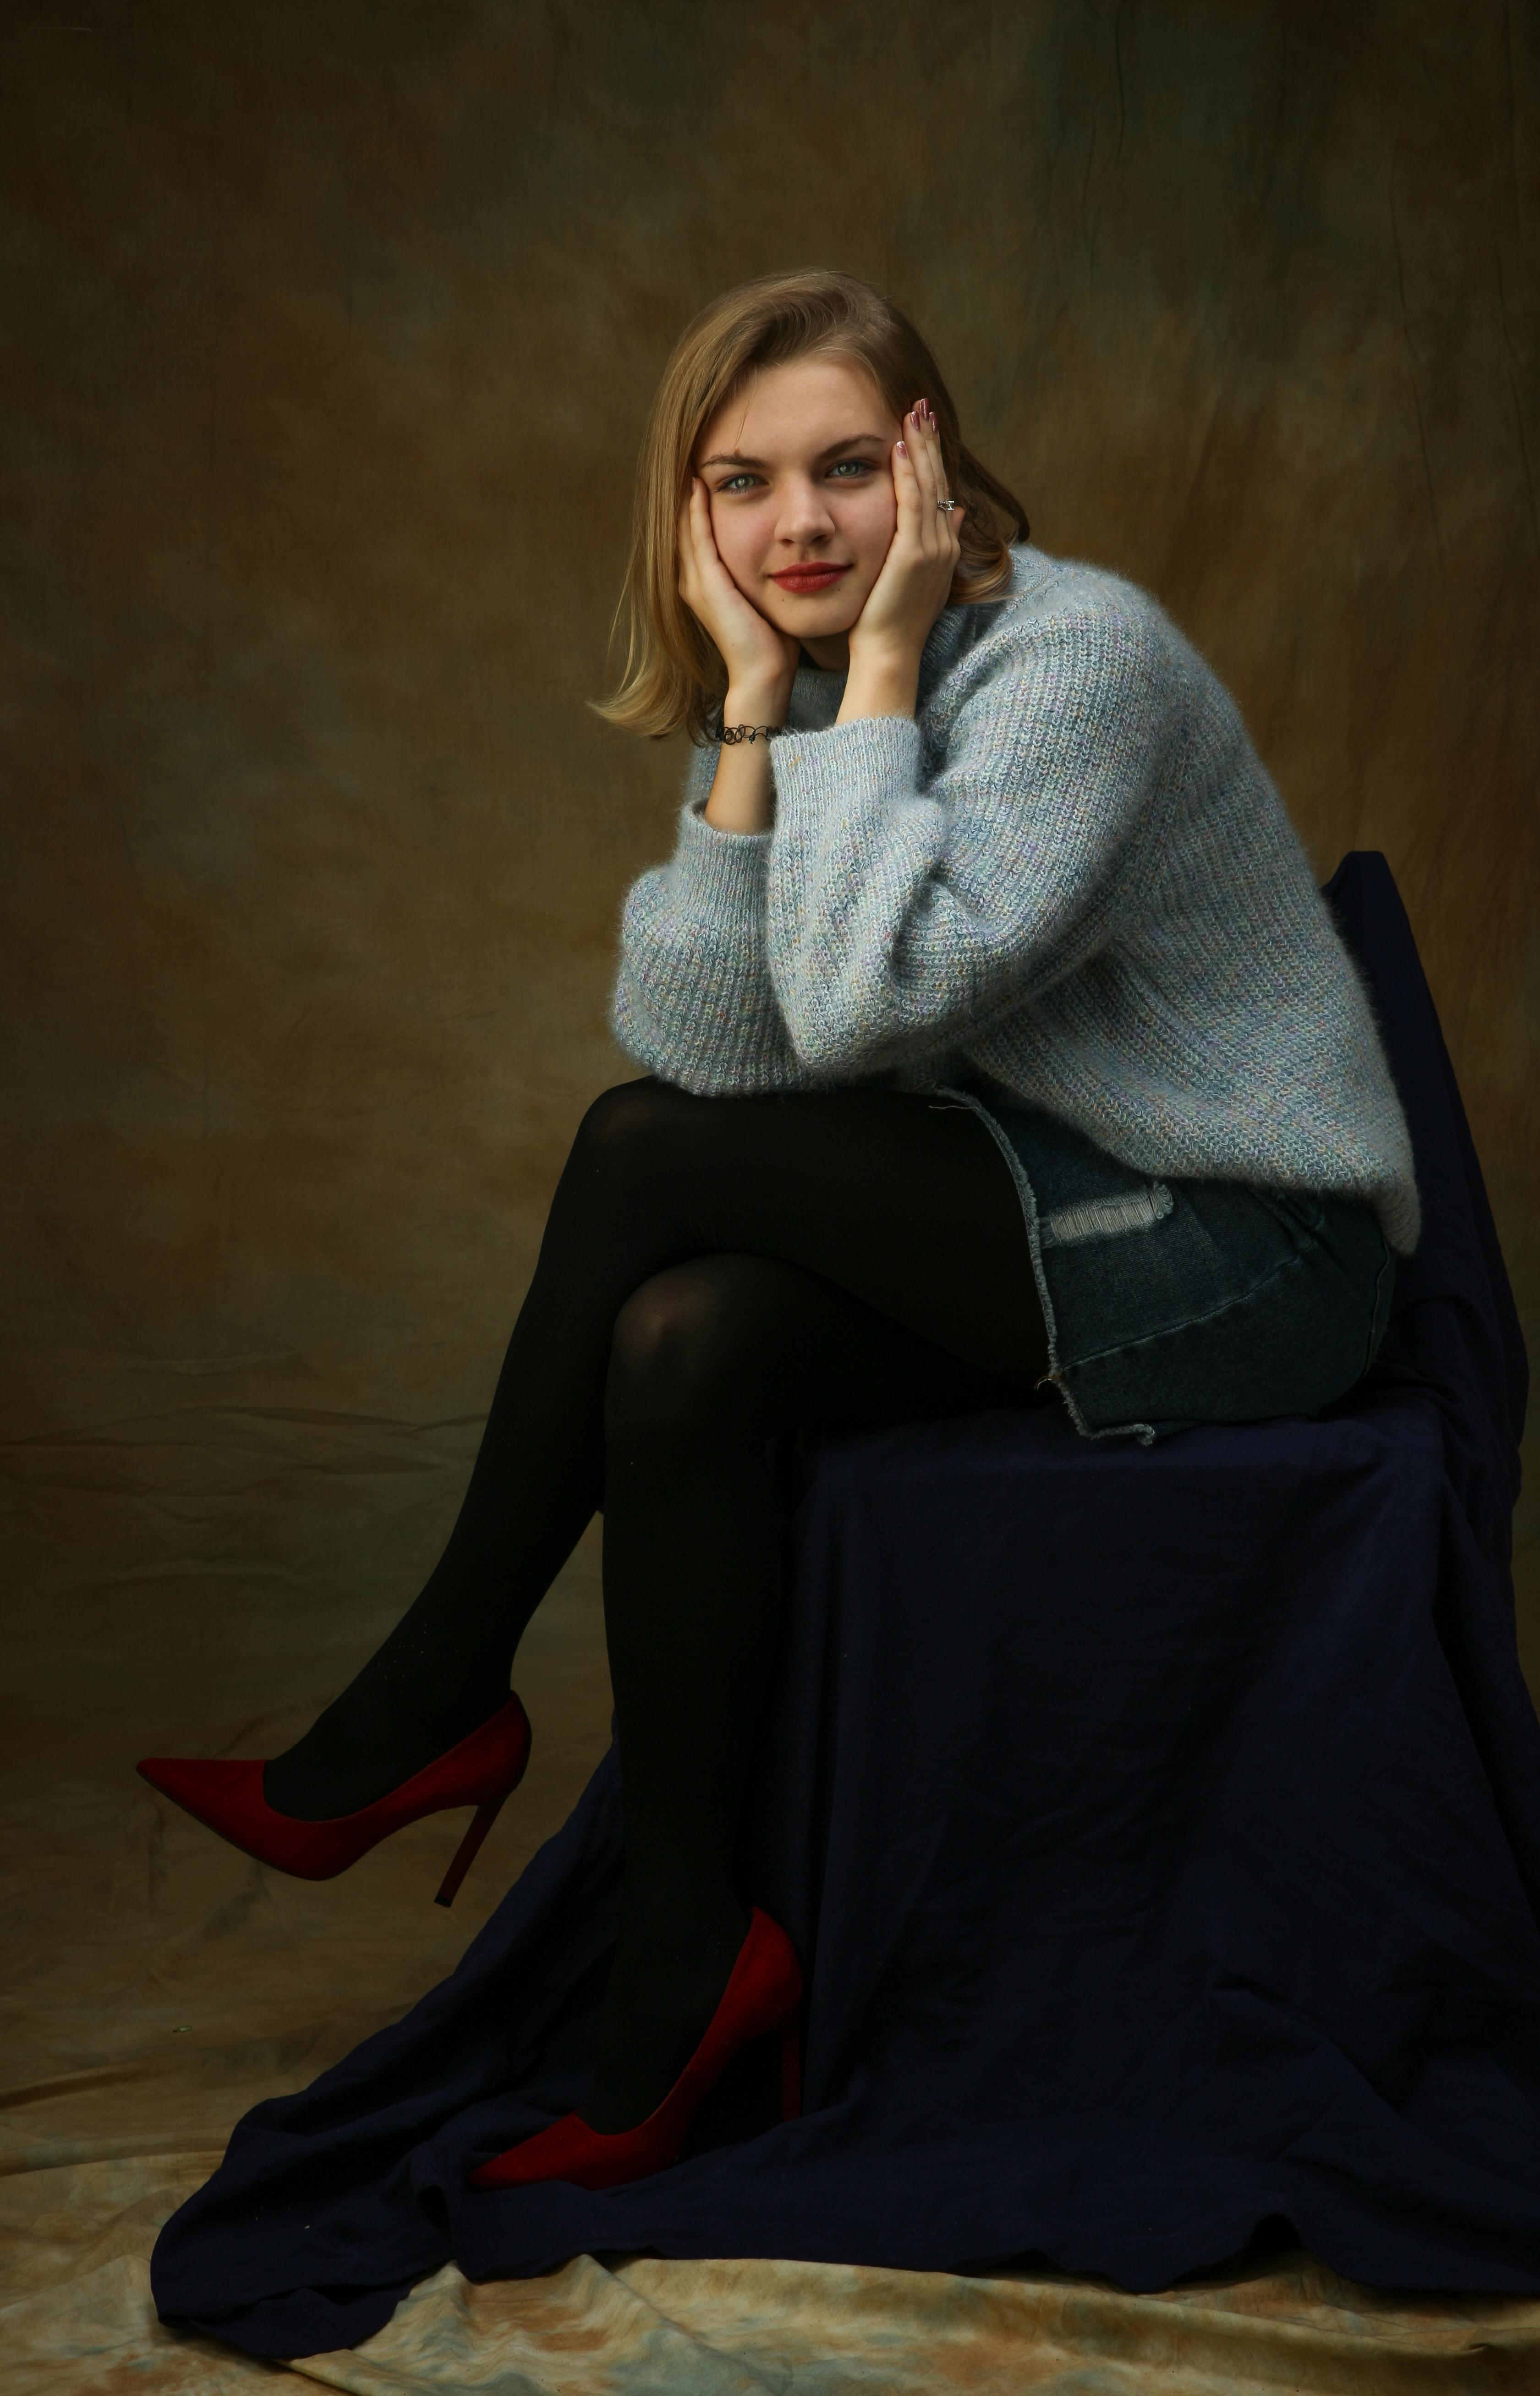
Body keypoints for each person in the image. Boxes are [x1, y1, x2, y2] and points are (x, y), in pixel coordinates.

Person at [137, 267, 1418, 2193]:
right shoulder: (807, 675)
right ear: (691, 513)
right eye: (740, 482)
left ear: (932, 464)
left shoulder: (1078, 666)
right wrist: (755, 706)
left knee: (638, 1160)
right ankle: (686, 1966)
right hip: (1064, 1195)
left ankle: (430, 1698)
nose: (797, 526)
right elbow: (710, 1046)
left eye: (842, 469)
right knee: (684, 1341)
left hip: (1254, 1253)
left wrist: (871, 686)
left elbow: (842, 1017)